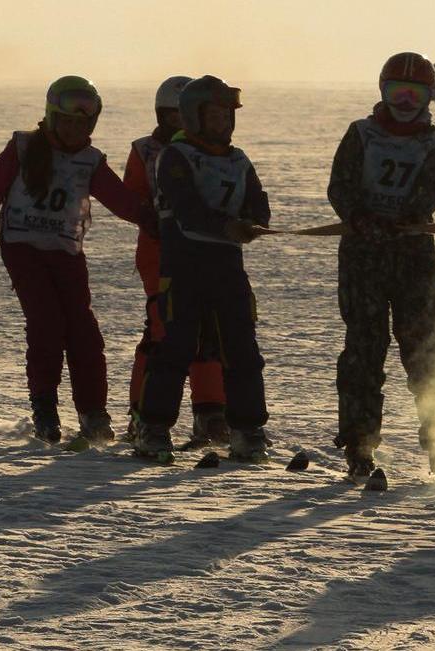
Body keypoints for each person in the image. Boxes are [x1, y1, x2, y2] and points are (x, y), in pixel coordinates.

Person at [0, 75, 152, 447]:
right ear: (51, 116)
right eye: (67, 121)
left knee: (83, 332)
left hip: (64, 251)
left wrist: (154, 219)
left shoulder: (90, 162)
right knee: (47, 323)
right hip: (22, 247)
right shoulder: (24, 148)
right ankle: (44, 407)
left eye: (83, 123)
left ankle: (93, 412)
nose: (75, 129)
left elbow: (122, 201)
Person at [327, 52, 435, 490]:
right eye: (396, 92)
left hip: (412, 256)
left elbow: (430, 195)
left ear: (429, 98)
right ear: (382, 91)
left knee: (425, 351)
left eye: (415, 94)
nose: (405, 101)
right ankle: (359, 444)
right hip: (363, 257)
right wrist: (361, 218)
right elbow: (340, 186)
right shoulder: (361, 134)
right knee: (364, 347)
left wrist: (403, 218)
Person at [132, 75, 274, 462]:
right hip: (184, 267)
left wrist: (252, 222)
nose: (223, 123)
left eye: (227, 116)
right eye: (214, 115)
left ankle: (247, 429)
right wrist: (228, 226)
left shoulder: (238, 159)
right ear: (194, 117)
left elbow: (258, 203)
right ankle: (153, 426)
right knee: (176, 347)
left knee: (241, 349)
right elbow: (187, 210)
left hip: (227, 268)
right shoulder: (174, 157)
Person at [122, 75, 231, 447]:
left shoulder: (217, 151)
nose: (183, 125)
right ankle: (142, 414)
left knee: (208, 330)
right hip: (160, 253)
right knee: (163, 330)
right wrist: (152, 218)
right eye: (175, 117)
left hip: (207, 251)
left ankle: (211, 413)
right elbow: (130, 198)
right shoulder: (146, 151)